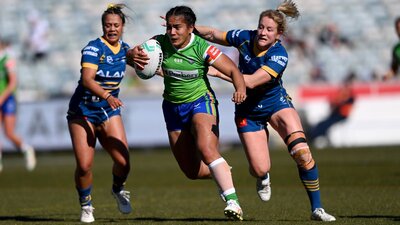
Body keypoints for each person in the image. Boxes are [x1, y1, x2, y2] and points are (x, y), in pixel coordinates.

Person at [195, 0, 336, 221]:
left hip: (275, 104)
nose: (263, 32)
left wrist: (219, 72)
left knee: (302, 153)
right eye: (261, 27)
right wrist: (189, 28)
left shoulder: (279, 55)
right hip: (248, 111)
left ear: (278, 34)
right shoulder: (245, 37)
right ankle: (263, 176)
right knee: (259, 169)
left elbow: (250, 82)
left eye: (269, 29)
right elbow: (214, 34)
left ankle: (316, 209)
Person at [129, 5, 247, 221]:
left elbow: (232, 70)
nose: (172, 32)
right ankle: (221, 170)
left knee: (206, 148)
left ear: (191, 28)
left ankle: (233, 202)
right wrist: (131, 54)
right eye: (169, 27)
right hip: (173, 107)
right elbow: (133, 58)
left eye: (177, 27)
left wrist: (240, 89)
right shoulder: (158, 43)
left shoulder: (203, 48)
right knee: (192, 172)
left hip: (201, 102)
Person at [66, 4, 132, 223]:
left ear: (123, 26)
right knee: (84, 165)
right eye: (107, 25)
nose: (112, 29)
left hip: (106, 110)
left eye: (116, 25)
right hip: (83, 110)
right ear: (102, 26)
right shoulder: (94, 48)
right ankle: (86, 205)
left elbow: (145, 64)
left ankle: (118, 189)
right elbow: (87, 79)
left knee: (123, 162)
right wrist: (108, 95)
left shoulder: (125, 49)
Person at [0, 38, 36, 173]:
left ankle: (26, 149)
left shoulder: (8, 59)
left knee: (8, 132)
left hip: (7, 98)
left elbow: (13, 82)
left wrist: (2, 98)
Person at [308, 73, 356, 147]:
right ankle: (315, 136)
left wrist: (338, 103)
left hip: (341, 116)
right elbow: (335, 102)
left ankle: (315, 137)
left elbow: (341, 104)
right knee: (322, 123)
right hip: (336, 115)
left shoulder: (350, 96)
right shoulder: (344, 94)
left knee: (326, 124)